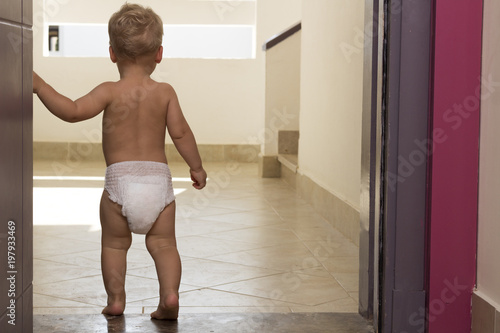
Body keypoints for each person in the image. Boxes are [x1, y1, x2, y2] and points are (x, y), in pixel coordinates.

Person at [33, 3, 207, 320]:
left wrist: (39, 85)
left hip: (119, 183)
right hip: (158, 183)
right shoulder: (165, 92)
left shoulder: (109, 91)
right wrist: (196, 167)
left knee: (114, 246)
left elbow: (71, 111)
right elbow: (181, 134)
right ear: (159, 54)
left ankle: (116, 301)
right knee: (165, 244)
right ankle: (169, 296)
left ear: (112, 53)